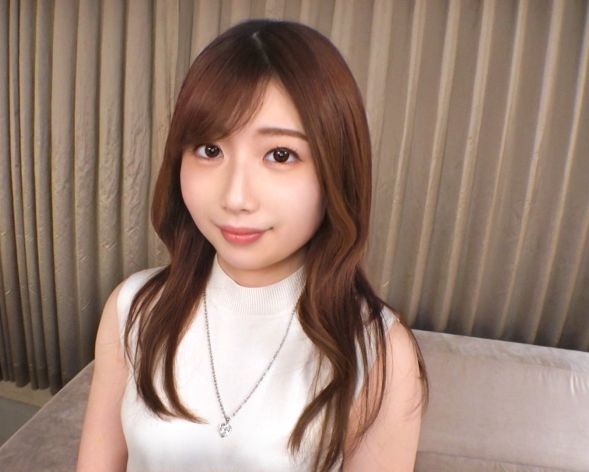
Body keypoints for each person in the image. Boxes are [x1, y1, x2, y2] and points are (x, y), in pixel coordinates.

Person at [77, 19, 427, 472]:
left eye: (280, 155)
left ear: (336, 171)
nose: (235, 198)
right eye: (210, 150)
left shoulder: (379, 352)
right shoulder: (133, 308)